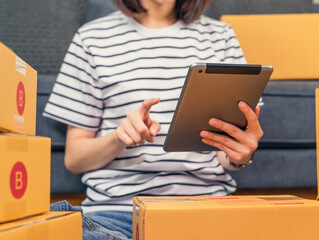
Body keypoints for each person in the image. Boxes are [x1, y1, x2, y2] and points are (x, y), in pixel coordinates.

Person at [45, 0, 264, 239]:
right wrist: (118, 138)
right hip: (115, 215)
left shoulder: (221, 36)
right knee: (55, 226)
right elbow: (75, 159)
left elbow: (227, 152)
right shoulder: (91, 38)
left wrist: (241, 155)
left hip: (203, 211)